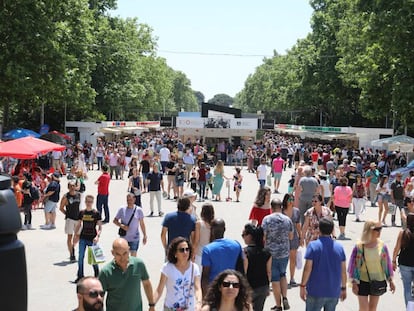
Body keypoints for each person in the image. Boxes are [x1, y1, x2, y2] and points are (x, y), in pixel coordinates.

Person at [299, 217, 347, 311]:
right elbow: (343, 271)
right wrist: (344, 287)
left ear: (319, 229)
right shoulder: (339, 248)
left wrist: (302, 285)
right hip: (333, 291)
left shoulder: (313, 246)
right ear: (332, 230)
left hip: (315, 290)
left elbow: (307, 268)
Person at [348, 220, 395, 311]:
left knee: (372, 308)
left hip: (377, 281)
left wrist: (391, 281)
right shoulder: (359, 246)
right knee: (364, 308)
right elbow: (354, 266)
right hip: (362, 281)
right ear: (369, 230)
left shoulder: (382, 246)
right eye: (377, 229)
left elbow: (386, 265)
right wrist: (354, 283)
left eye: (380, 229)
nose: (379, 231)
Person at [99, 238, 155, 311]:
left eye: (125, 253)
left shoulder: (138, 264)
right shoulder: (105, 272)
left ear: (129, 250)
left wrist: (152, 305)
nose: (122, 258)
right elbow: (99, 297)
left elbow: (147, 284)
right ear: (112, 253)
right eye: (118, 254)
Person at [153, 237, 203, 311]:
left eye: (187, 249)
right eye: (182, 250)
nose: (185, 252)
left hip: (189, 309)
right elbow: (159, 290)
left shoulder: (194, 268)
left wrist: (199, 303)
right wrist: (152, 305)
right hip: (170, 308)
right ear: (175, 253)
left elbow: (198, 288)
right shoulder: (167, 267)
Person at [261, 198, 294, 311]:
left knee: (274, 278)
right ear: (281, 207)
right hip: (284, 252)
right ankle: (284, 296)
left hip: (271, 253)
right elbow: (291, 236)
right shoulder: (287, 220)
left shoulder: (267, 219)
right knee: (283, 275)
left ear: (271, 207)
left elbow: (263, 236)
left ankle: (278, 305)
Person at [201, 218, 244, 294]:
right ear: (224, 229)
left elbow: (205, 275)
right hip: (231, 287)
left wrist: (205, 295)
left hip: (214, 289)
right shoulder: (236, 245)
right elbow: (241, 270)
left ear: (212, 230)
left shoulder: (208, 249)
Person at [242, 224, 271, 311]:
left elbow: (244, 272)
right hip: (263, 286)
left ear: (250, 236)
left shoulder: (245, 252)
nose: (243, 237)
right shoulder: (267, 252)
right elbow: (269, 272)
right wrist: (268, 287)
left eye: (244, 235)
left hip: (250, 287)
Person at [74, 195, 102, 283]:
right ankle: (80, 275)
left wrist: (97, 236)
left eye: (90, 202)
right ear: (85, 202)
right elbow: (79, 224)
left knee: (93, 258)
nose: (88, 203)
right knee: (80, 257)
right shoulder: (82, 212)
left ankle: (97, 273)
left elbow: (100, 227)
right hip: (83, 237)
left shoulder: (96, 213)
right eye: (87, 201)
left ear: (92, 202)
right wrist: (75, 235)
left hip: (92, 238)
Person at [392, 213, 414, 307]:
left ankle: (410, 308)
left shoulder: (403, 233)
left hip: (404, 264)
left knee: (407, 287)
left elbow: (396, 248)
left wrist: (393, 261)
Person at [281, 193, 302, 287]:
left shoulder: (296, 211)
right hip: (283, 237)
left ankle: (292, 278)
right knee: (283, 258)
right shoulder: (281, 211)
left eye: (292, 199)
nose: (291, 201)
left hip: (294, 237)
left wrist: (301, 237)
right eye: (289, 199)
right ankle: (282, 277)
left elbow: (298, 224)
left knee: (293, 258)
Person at [60, 179, 82, 261]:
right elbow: (61, 208)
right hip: (70, 219)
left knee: (78, 235)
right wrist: (67, 214)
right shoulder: (66, 197)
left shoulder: (79, 195)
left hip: (78, 219)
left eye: (73, 186)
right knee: (70, 236)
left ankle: (72, 246)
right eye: (71, 186)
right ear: (68, 187)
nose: (72, 187)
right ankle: (71, 254)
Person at [194, 203, 215, 268]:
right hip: (212, 252)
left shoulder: (199, 224)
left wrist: (192, 253)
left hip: (200, 252)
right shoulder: (215, 223)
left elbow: (196, 241)